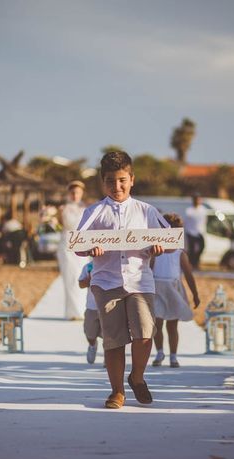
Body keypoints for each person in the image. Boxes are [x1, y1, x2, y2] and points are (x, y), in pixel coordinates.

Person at [75, 151, 168, 409]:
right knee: (113, 340)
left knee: (145, 332)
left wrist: (159, 247)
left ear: (132, 179)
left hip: (140, 281)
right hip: (106, 282)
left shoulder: (147, 211)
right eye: (110, 181)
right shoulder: (94, 212)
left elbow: (171, 241)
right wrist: (90, 249)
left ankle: (137, 376)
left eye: (122, 180)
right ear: (102, 182)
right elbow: (77, 245)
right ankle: (117, 392)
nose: (117, 186)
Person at [151, 213, 200, 368]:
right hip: (157, 288)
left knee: (172, 325)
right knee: (156, 324)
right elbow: (147, 270)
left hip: (173, 289)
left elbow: (189, 275)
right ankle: (159, 352)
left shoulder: (180, 254)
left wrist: (195, 294)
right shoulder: (155, 252)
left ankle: (173, 356)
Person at [57, 180, 88, 321]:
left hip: (81, 246)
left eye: (78, 192)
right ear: (69, 194)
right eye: (73, 192)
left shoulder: (87, 208)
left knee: (81, 277)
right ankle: (71, 312)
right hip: (67, 247)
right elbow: (59, 225)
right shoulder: (63, 209)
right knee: (69, 278)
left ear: (81, 193)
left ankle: (81, 311)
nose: (75, 195)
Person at [78, 261, 102, 364]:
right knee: (90, 334)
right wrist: (91, 279)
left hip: (108, 307)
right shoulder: (89, 267)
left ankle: (109, 357)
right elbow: (81, 284)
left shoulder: (114, 265)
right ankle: (93, 345)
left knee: (109, 336)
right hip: (92, 307)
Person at [184, 193, 207, 269]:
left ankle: (196, 262)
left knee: (202, 247)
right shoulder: (189, 210)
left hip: (200, 232)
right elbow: (186, 222)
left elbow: (204, 221)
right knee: (192, 249)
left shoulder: (203, 209)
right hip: (190, 232)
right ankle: (192, 264)